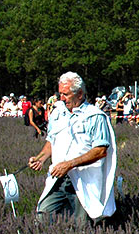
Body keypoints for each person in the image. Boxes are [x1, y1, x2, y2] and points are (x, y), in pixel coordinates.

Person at [28, 72, 117, 225]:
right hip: (58, 177)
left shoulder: (95, 117)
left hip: (84, 179)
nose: (61, 98)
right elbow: (52, 141)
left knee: (82, 224)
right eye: (60, 94)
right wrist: (40, 158)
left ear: (80, 94)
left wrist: (70, 164)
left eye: (66, 94)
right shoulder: (58, 113)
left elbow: (100, 150)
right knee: (42, 218)